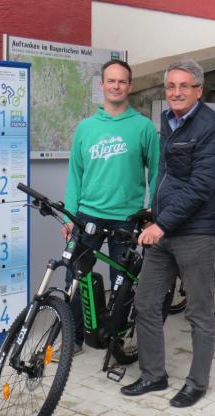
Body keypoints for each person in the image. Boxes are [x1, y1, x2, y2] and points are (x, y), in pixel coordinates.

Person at [120, 59, 215, 408]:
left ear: (199, 90)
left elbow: (201, 186)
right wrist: (154, 212)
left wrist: (162, 224)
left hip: (196, 233)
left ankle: (197, 383)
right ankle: (154, 374)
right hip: (163, 228)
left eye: (184, 86)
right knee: (146, 302)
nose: (176, 92)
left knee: (199, 311)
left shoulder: (212, 127)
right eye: (171, 86)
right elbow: (165, 175)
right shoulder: (168, 123)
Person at [62, 59, 160, 354]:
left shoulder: (143, 127)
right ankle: (73, 339)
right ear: (101, 85)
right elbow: (74, 174)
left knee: (123, 284)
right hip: (87, 215)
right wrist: (70, 214)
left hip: (126, 219)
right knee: (75, 278)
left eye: (122, 81)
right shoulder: (86, 128)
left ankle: (116, 341)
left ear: (129, 86)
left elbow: (156, 173)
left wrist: (152, 215)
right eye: (111, 81)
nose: (116, 86)